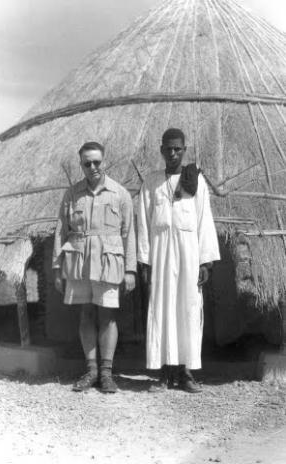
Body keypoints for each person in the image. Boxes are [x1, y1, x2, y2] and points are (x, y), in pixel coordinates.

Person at [137, 128, 220, 393]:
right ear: (161, 150)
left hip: (189, 254)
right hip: (160, 254)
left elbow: (204, 221)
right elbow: (143, 222)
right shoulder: (151, 183)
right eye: (168, 148)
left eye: (178, 149)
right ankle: (163, 373)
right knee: (162, 309)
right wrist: (144, 262)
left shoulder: (195, 180)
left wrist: (205, 262)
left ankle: (185, 373)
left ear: (185, 150)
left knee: (188, 308)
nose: (172, 153)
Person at [53, 141, 136, 393]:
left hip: (109, 262)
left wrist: (130, 269)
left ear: (104, 161)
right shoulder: (72, 194)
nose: (92, 167)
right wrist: (57, 269)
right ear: (81, 165)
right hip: (79, 262)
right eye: (87, 163)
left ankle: (107, 373)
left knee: (108, 317)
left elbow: (129, 233)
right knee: (86, 314)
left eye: (96, 162)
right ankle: (91, 371)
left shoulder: (120, 194)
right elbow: (60, 232)